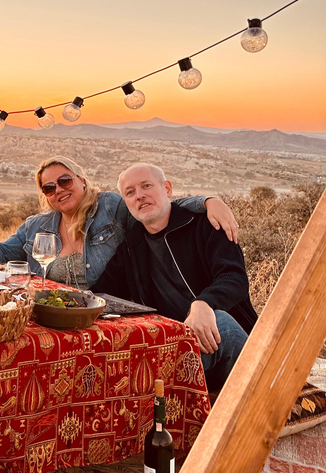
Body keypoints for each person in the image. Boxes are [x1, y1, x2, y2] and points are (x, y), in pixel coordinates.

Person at [0, 156, 238, 290]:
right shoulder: (36, 225)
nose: (59, 189)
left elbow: (155, 207)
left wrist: (206, 202)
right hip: (53, 312)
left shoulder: (111, 207)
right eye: (49, 188)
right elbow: (4, 253)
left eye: (65, 180)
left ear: (82, 180)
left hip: (104, 312)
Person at [91, 163, 255, 391]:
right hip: (169, 345)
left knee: (222, 323)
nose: (139, 195)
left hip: (225, 344)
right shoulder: (132, 244)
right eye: (130, 192)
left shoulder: (206, 223)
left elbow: (234, 277)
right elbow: (103, 291)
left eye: (146, 186)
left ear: (167, 189)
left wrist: (203, 304)